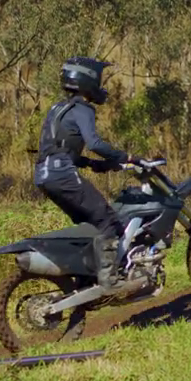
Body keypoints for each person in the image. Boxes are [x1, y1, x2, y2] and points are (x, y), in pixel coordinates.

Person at [34, 57, 139, 287]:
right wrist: (124, 157)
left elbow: (58, 149)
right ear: (88, 82)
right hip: (62, 174)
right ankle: (109, 279)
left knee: (89, 226)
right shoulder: (83, 109)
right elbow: (94, 143)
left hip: (43, 175)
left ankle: (86, 278)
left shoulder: (57, 108)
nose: (100, 88)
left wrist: (92, 164)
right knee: (107, 220)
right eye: (99, 82)